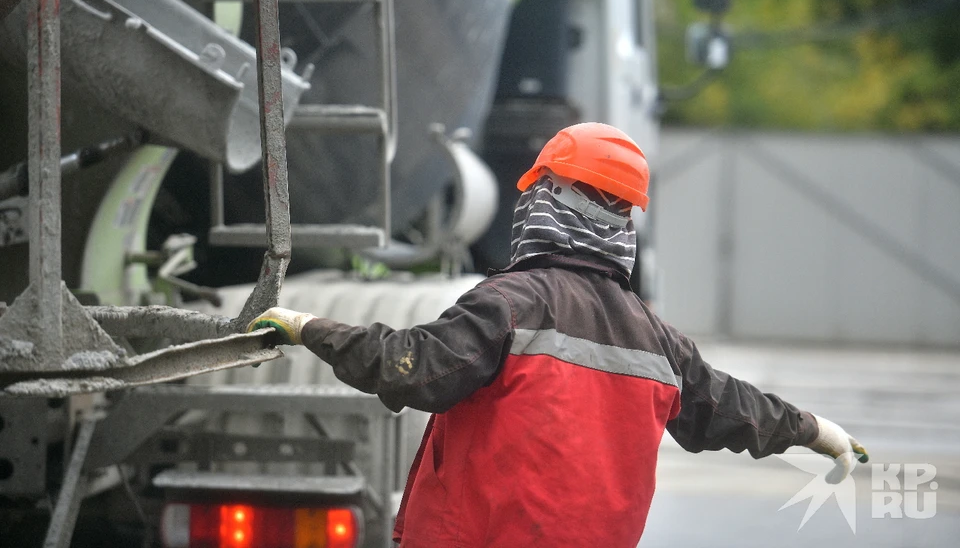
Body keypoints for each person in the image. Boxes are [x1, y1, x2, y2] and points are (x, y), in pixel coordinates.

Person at [248, 122, 868, 548]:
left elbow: (409, 368)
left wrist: (308, 328)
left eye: (540, 188)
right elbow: (732, 408)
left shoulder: (510, 305)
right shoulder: (659, 342)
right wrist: (816, 431)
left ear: (554, 202)